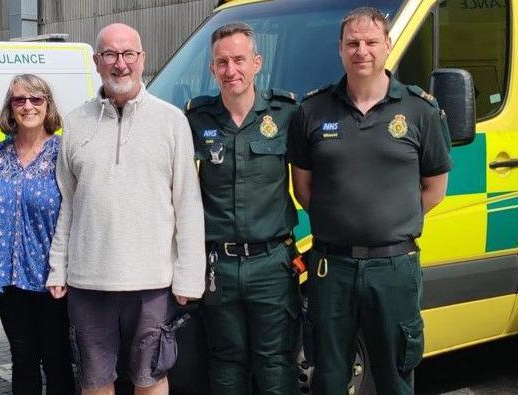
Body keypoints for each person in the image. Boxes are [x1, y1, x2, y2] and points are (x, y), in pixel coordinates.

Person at [289, 7, 452, 395]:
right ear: (340, 50)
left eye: (370, 42)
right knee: (329, 376)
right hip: (333, 267)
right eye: (352, 43)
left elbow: (434, 189)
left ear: (387, 46)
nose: (361, 50)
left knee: (395, 375)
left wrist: (388, 223)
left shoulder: (420, 111)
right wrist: (343, 221)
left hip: (394, 267)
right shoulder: (312, 111)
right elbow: (303, 188)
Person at [46, 23, 206, 395]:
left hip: (152, 283)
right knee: (95, 382)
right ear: (97, 61)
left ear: (142, 60)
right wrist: (58, 267)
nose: (120, 64)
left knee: (151, 378)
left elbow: (188, 204)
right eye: (110, 55)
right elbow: (68, 204)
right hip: (88, 283)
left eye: (128, 54)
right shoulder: (75, 122)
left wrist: (189, 276)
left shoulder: (171, 122)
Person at [184, 23, 301, 395]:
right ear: (212, 69)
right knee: (225, 362)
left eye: (238, 60)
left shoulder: (286, 115)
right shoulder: (195, 120)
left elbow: (310, 180)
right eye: (221, 62)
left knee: (275, 362)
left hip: (272, 263)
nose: (230, 70)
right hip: (219, 265)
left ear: (256, 63)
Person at [0, 74, 75, 394]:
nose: (27, 106)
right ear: (9, 107)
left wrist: (65, 268)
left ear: (48, 105)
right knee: (22, 358)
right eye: (19, 100)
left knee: (57, 359)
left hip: (52, 278)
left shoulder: (62, 152)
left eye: (36, 99)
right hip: (8, 279)